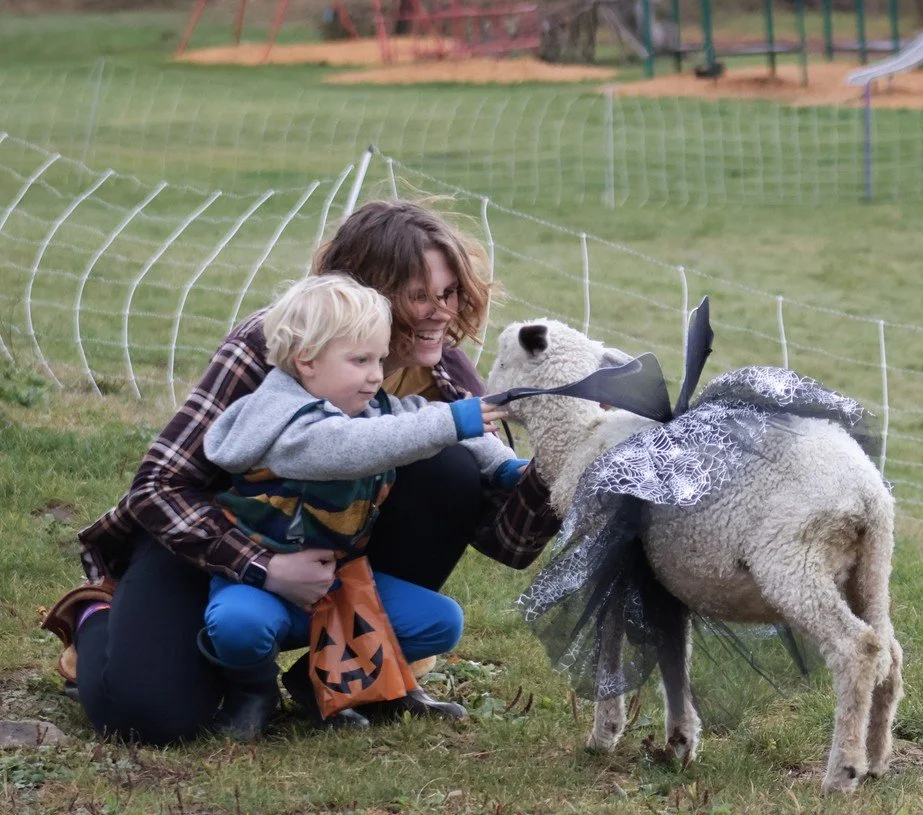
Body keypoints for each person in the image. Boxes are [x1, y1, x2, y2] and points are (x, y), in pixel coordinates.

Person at [41, 200, 563, 745]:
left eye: (449, 293)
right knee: (148, 718)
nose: (442, 313)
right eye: (418, 296)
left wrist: (561, 462)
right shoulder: (272, 347)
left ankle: (340, 673)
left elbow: (506, 537)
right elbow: (158, 487)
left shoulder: (441, 371)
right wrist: (262, 566)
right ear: (366, 294)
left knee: (452, 466)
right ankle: (98, 613)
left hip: (337, 559)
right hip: (211, 544)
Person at [199, 273, 527, 739]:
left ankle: (317, 681)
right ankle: (252, 691)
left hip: (338, 584)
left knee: (440, 622)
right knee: (239, 625)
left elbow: (424, 416)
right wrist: (455, 420)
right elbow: (350, 447)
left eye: (378, 359)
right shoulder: (282, 419)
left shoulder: (369, 406)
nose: (376, 374)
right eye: (360, 360)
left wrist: (507, 468)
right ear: (306, 361)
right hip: (264, 582)